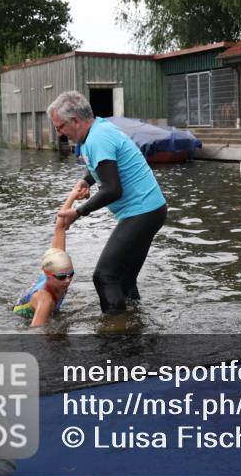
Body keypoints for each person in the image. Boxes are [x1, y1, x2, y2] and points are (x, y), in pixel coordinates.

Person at [46, 91, 167, 314]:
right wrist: (87, 179)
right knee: (124, 279)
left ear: (75, 121)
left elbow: (112, 190)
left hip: (142, 212)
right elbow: (105, 165)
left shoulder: (97, 138)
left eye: (60, 127)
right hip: (152, 210)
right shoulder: (98, 129)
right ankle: (134, 324)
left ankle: (116, 331)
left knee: (104, 277)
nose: (59, 134)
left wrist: (78, 212)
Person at [13, 183, 83, 327]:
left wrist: (73, 195)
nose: (67, 281)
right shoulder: (45, 301)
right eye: (62, 277)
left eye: (71, 274)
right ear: (47, 274)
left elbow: (60, 226)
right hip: (20, 315)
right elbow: (35, 332)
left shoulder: (58, 265)